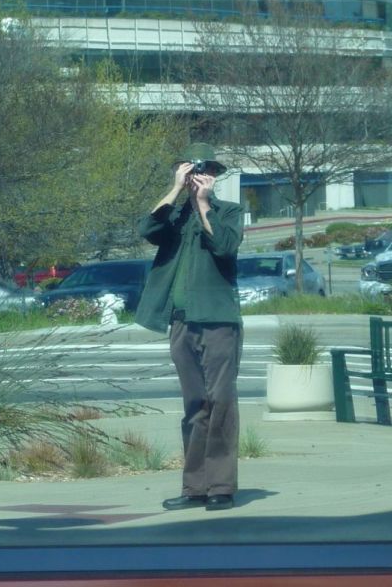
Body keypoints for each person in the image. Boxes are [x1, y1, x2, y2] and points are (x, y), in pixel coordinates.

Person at [135, 142, 243, 512]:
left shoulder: (228, 211)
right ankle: (195, 488)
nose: (201, 176)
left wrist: (203, 204)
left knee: (221, 403)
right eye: (195, 169)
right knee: (194, 405)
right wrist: (176, 190)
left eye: (209, 171)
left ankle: (222, 487)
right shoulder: (174, 217)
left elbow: (225, 247)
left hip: (218, 321)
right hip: (181, 323)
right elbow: (146, 228)